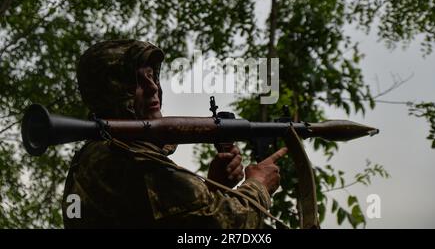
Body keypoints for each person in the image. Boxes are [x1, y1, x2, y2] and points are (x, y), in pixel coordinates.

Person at [62, 39, 287, 228]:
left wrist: (213, 187)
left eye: (153, 77)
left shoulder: (93, 154)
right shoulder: (128, 158)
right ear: (112, 92)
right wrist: (259, 185)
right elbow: (223, 225)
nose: (153, 88)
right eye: (137, 82)